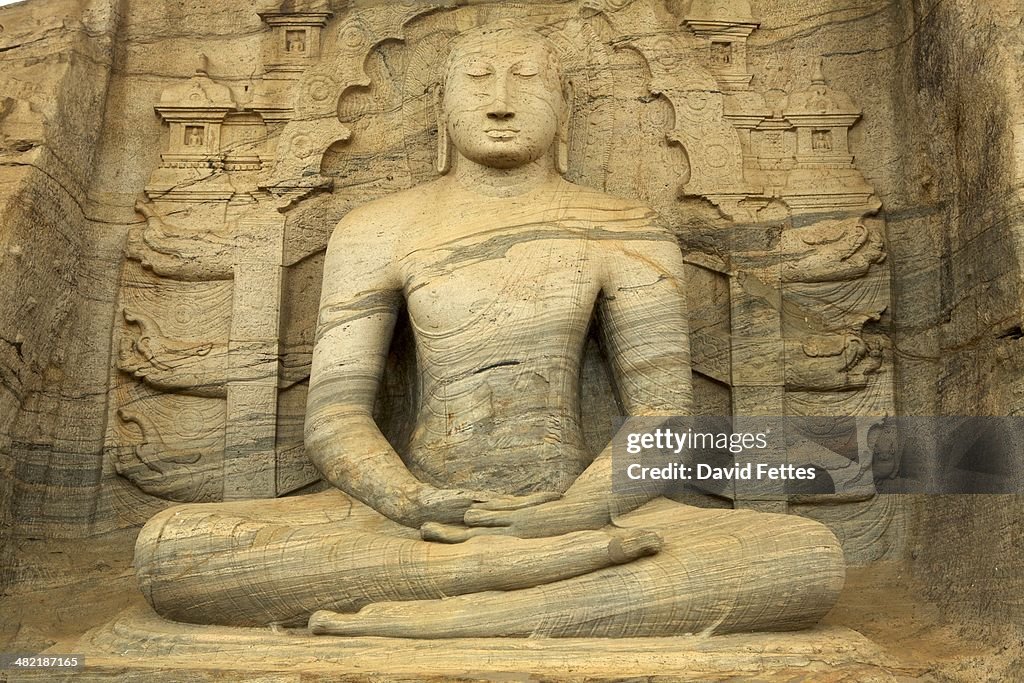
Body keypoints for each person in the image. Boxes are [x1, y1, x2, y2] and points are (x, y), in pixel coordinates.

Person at [134, 25, 844, 637]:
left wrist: (573, 515)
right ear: (441, 109)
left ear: (565, 110)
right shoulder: (377, 229)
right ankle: (531, 590)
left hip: (580, 515)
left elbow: (664, 417)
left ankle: (441, 611)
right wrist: (411, 500)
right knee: (173, 549)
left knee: (802, 556)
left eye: (528, 79)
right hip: (411, 523)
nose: (500, 97)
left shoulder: (626, 230)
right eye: (475, 79)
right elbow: (336, 416)